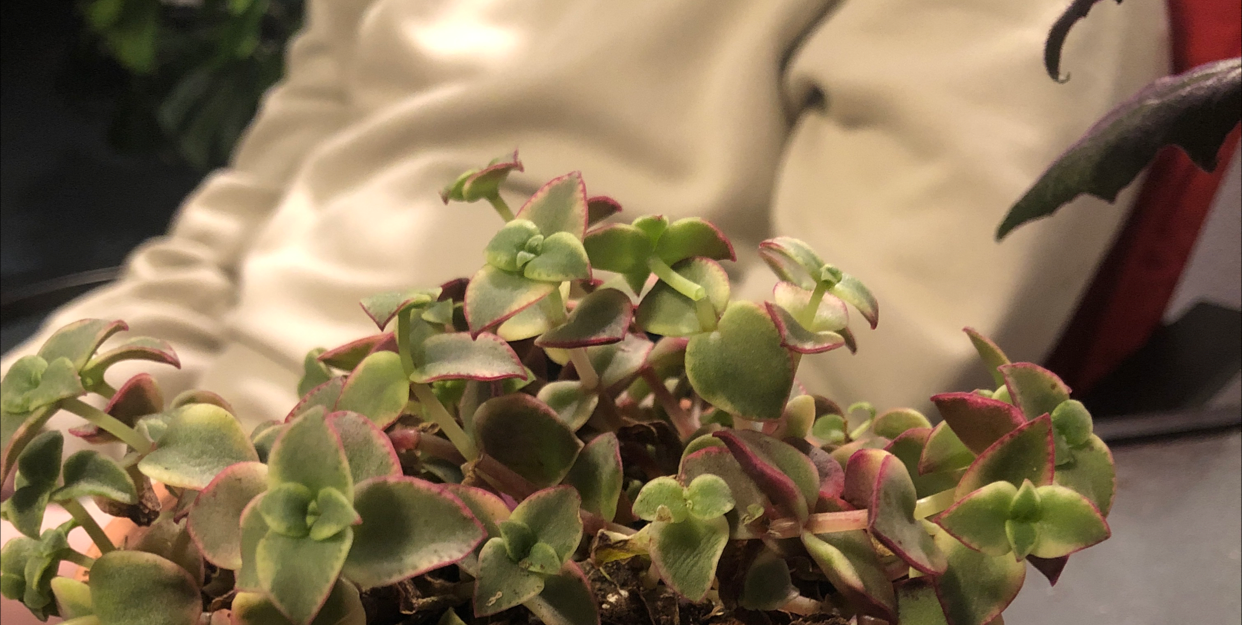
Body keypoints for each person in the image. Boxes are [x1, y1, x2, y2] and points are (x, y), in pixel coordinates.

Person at [1, 0, 1169, 424]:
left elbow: (840, 398)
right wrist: (50, 422)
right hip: (174, 473)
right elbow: (241, 213)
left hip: (446, 553)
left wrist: (167, 557)